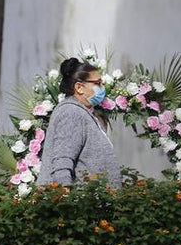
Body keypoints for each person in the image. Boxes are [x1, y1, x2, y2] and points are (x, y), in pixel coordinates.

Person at [36, 57, 122, 189]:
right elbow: (62, 161)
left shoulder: (82, 112)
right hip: (80, 205)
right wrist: (65, 198)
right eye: (98, 83)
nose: (102, 88)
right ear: (79, 87)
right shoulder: (71, 112)